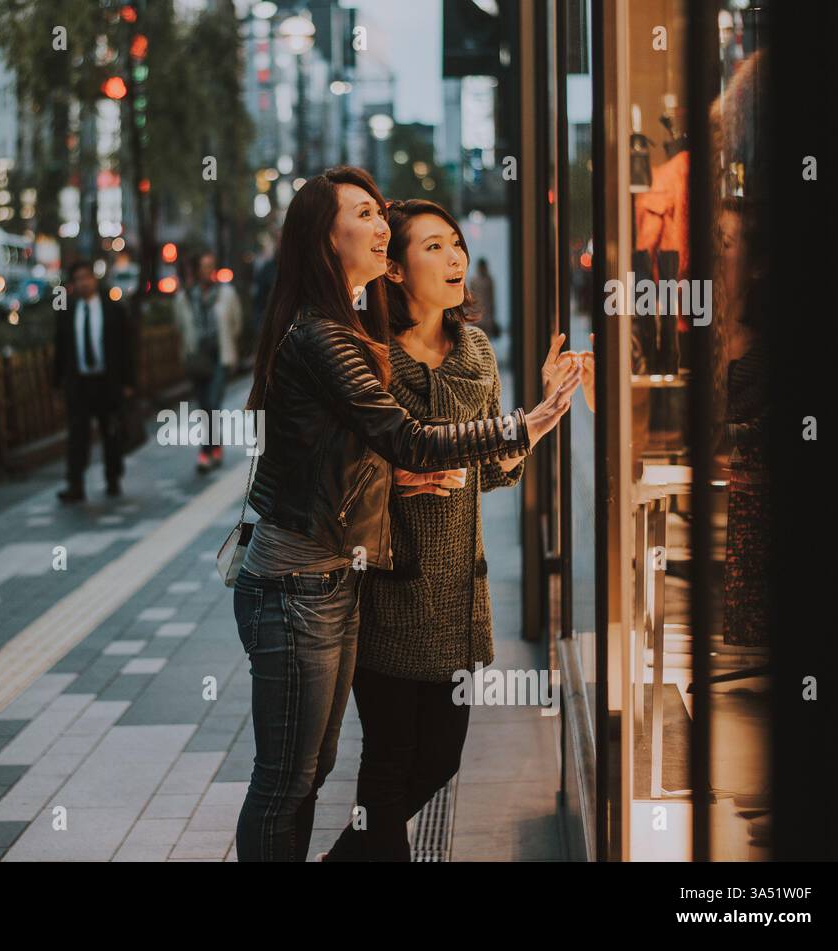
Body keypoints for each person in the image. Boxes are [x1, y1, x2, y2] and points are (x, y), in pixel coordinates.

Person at [232, 166, 580, 862]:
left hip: (335, 583)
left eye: (380, 211)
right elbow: (405, 437)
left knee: (314, 771)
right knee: (294, 778)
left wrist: (427, 462)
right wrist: (528, 422)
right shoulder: (334, 337)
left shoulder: (400, 340)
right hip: (305, 583)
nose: (379, 222)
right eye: (363, 213)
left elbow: (406, 456)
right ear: (327, 241)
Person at [320, 199, 573, 861]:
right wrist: (395, 476)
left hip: (459, 598)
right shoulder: (366, 356)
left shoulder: (478, 352)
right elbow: (343, 464)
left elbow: (490, 467)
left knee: (439, 761)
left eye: (454, 242)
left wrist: (534, 425)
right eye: (432, 246)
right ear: (395, 270)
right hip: (387, 593)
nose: (454, 255)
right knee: (387, 764)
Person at [52, 260, 136, 503]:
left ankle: (113, 477)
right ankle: (75, 483)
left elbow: (125, 348)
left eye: (87, 277)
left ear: (95, 280)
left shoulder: (113, 309)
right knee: (77, 435)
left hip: (107, 382)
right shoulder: (67, 312)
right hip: (79, 383)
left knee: (110, 431)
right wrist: (57, 383)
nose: (83, 283)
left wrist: (128, 382)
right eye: (78, 279)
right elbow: (60, 349)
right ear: (73, 284)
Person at [173, 251, 242, 473]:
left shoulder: (227, 294)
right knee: (205, 408)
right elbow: (180, 328)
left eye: (210, 266)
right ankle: (215, 446)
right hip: (197, 359)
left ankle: (206, 452)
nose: (207, 271)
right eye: (202, 266)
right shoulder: (184, 298)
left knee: (212, 404)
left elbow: (236, 324)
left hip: (220, 357)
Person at [471, 257, 498, 339]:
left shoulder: (489, 280)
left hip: (487, 316)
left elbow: (492, 299)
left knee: (486, 340)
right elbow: (471, 299)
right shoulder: (474, 281)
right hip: (478, 315)